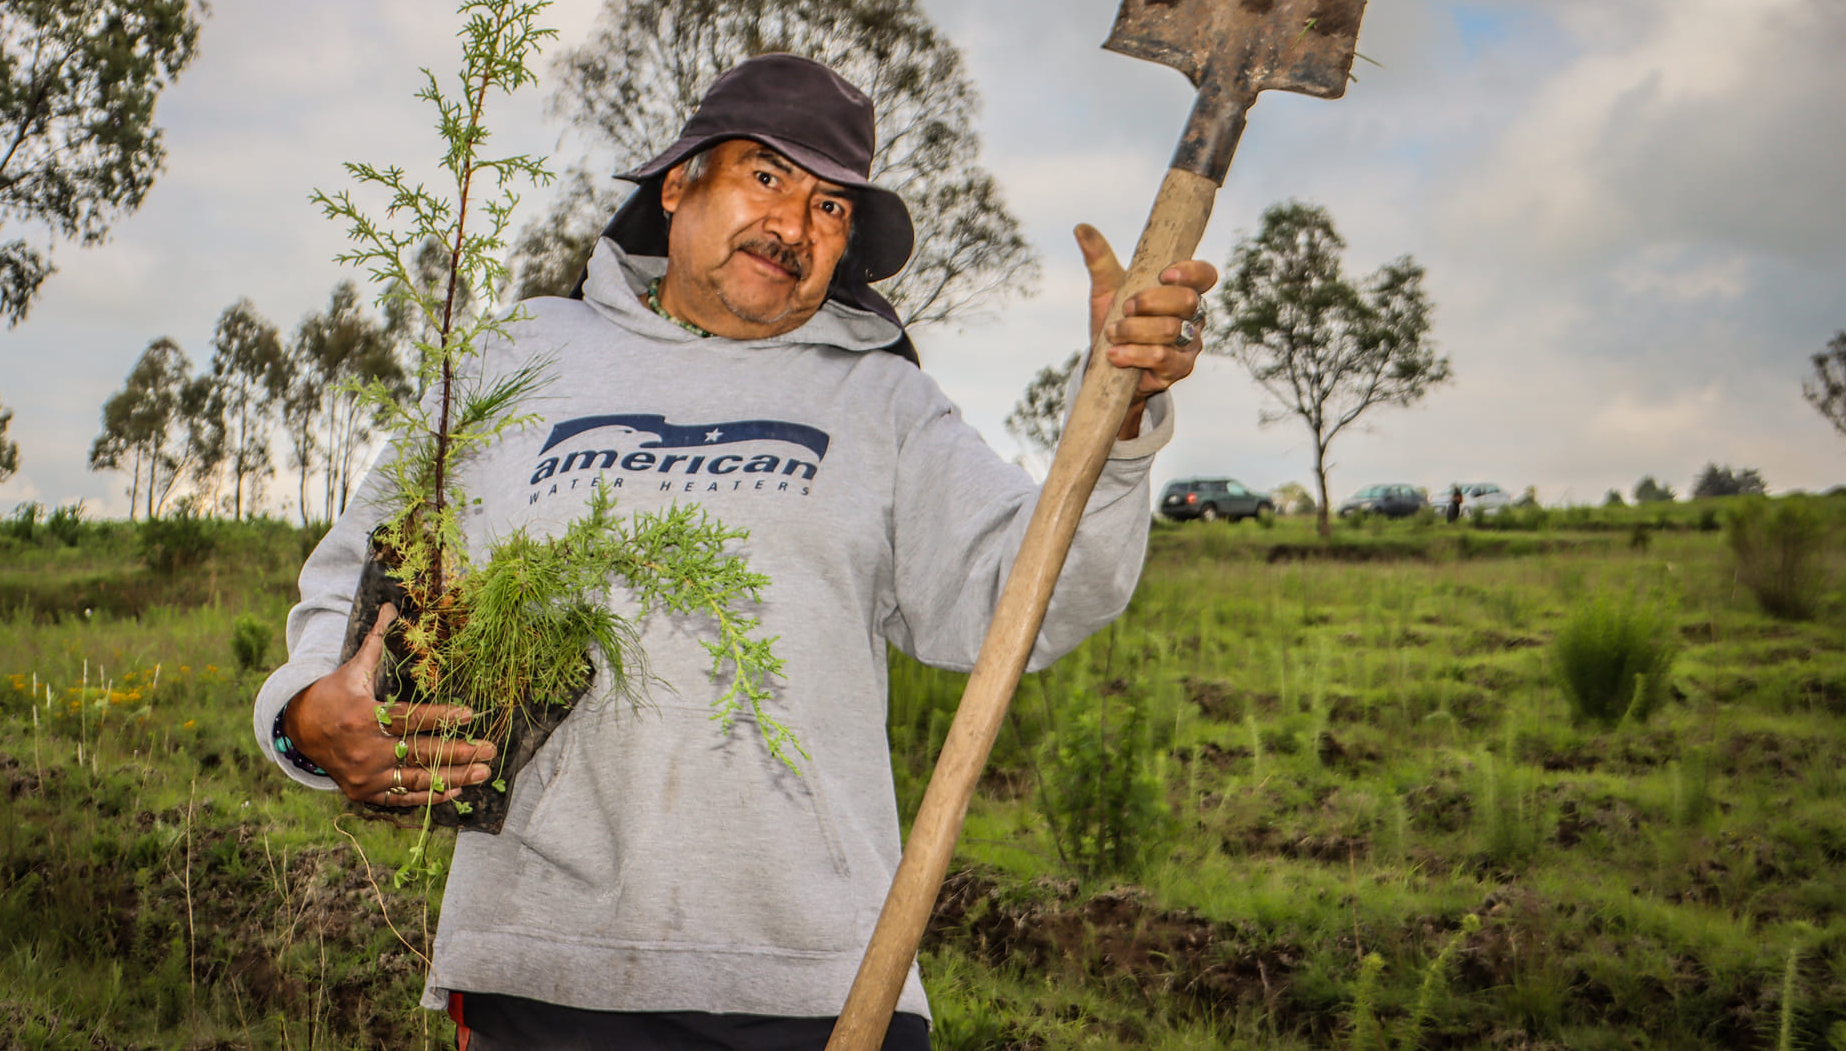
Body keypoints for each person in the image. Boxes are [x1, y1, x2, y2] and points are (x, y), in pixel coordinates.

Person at [253, 54, 1217, 1050]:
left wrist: (1118, 415)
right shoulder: (518, 359)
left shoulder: (880, 402)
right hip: (542, 970)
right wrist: (306, 715)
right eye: (767, 176)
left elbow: (1032, 599)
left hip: (815, 989)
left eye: (833, 206)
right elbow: (356, 584)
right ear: (677, 186)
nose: (797, 226)